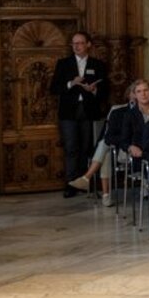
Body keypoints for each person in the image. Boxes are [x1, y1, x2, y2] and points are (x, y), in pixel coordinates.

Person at [49, 31, 109, 198]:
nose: (76, 46)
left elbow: (105, 89)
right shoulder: (63, 64)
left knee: (88, 147)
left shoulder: (98, 64)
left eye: (80, 43)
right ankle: (70, 184)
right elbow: (54, 88)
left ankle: (86, 182)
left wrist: (94, 89)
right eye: (74, 43)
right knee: (71, 148)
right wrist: (71, 83)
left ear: (88, 44)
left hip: (90, 111)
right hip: (69, 112)